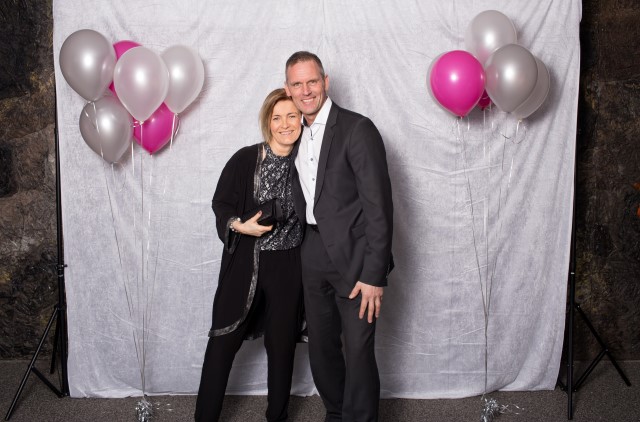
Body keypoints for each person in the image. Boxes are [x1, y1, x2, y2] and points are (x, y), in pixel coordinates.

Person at [284, 51, 394, 422]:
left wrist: (374, 274)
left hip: (356, 257)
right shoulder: (293, 133)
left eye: (311, 81)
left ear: (325, 82)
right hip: (312, 252)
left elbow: (379, 206)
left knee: (359, 351)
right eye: (297, 84)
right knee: (321, 346)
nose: (305, 90)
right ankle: (336, 412)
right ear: (288, 89)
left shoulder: (357, 129)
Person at [195, 88, 304, 422]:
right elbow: (221, 202)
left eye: (292, 116)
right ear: (267, 122)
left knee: (282, 346)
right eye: (277, 117)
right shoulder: (245, 159)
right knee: (223, 341)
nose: (285, 124)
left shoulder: (309, 161)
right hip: (247, 262)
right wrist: (238, 225)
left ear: (302, 119)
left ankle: (277, 417)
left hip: (289, 266)